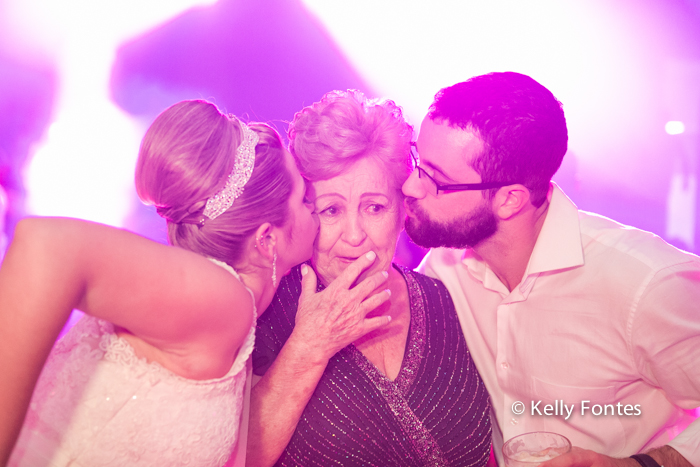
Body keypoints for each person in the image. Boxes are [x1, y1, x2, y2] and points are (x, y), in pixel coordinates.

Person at [0, 99, 387, 467]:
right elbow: (48, 247)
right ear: (267, 239)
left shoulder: (228, 311)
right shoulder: (224, 297)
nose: (318, 214)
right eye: (306, 201)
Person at [401, 72, 700, 467]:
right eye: (417, 161)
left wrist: (640, 464)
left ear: (510, 200)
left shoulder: (644, 283)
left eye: (436, 179)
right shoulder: (444, 270)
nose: (410, 186)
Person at [248, 90, 492, 467]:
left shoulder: (447, 300)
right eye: (331, 211)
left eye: (374, 207)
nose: (354, 235)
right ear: (302, 214)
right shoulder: (265, 313)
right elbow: (234, 457)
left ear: (403, 210)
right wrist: (308, 348)